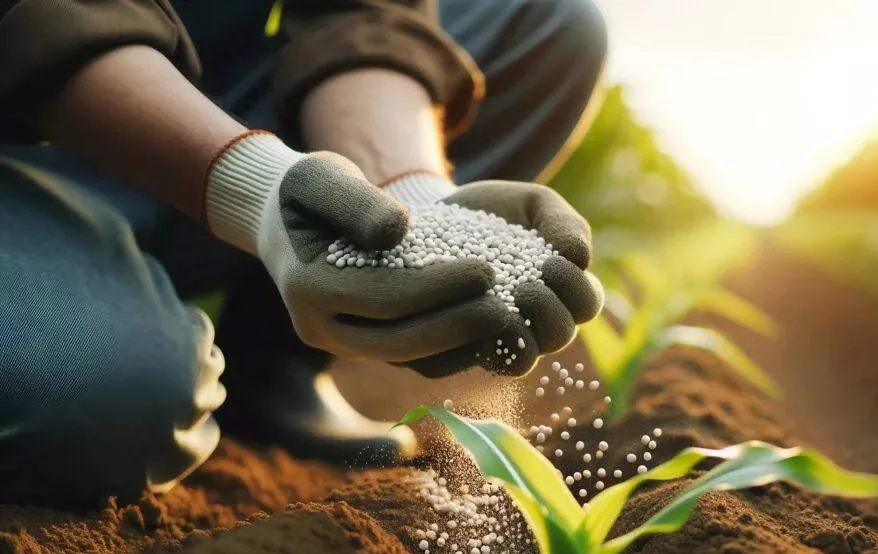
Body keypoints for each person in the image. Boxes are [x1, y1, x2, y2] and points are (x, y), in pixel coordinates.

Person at [0, 0, 608, 509]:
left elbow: (364, 11)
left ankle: (274, 366)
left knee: (546, 22)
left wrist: (411, 198)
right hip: (24, 136)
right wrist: (256, 186)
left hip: (186, 90)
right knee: (108, 410)